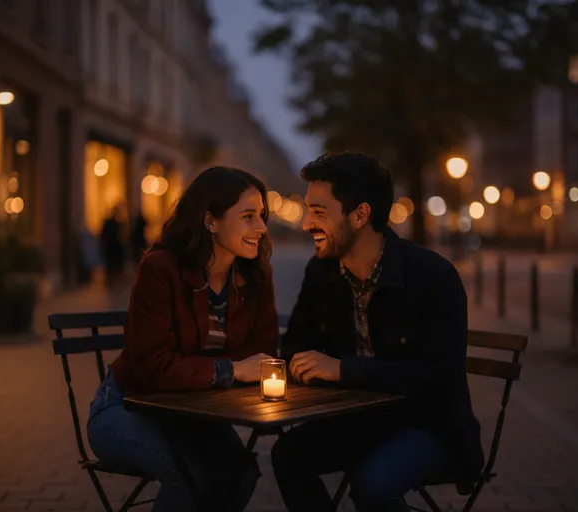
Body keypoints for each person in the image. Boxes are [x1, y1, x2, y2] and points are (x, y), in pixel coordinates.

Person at [272, 152, 484, 512]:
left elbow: (438, 376)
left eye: (319, 212)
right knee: (287, 455)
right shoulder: (321, 272)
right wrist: (299, 366)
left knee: (372, 485)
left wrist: (343, 370)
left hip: (430, 425)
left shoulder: (433, 277)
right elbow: (296, 343)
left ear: (360, 215)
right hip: (357, 419)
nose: (307, 223)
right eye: (308, 209)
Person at [86, 166, 279, 511]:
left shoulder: (254, 275)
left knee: (241, 471)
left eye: (262, 216)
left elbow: (261, 353)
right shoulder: (161, 269)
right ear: (210, 221)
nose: (261, 228)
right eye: (248, 216)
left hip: (194, 413)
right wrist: (231, 371)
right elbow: (152, 367)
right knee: (191, 475)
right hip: (129, 405)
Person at [100, 202, 127, 286]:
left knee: (115, 264)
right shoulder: (109, 222)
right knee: (110, 264)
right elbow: (104, 234)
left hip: (115, 246)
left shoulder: (118, 223)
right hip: (111, 246)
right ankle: (110, 280)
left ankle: (114, 280)